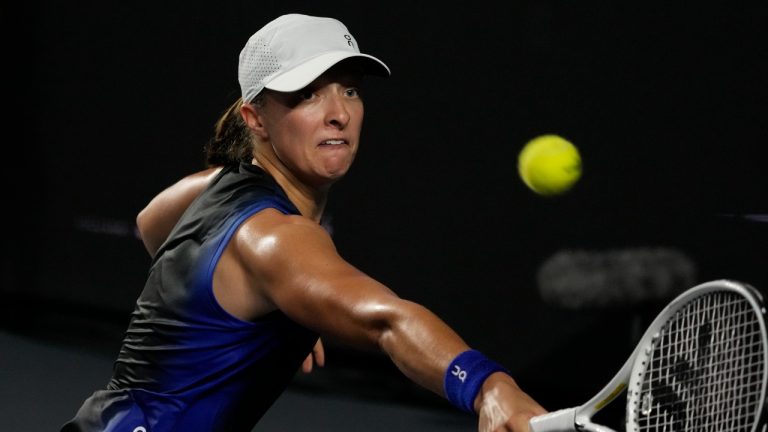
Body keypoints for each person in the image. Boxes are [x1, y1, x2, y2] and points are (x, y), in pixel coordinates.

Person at [61, 13, 546, 432]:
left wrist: (273, 303)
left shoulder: (214, 184)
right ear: (255, 118)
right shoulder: (278, 239)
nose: (338, 114)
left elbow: (151, 223)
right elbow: (386, 321)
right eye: (308, 95)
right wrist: (488, 386)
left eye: (350, 90)